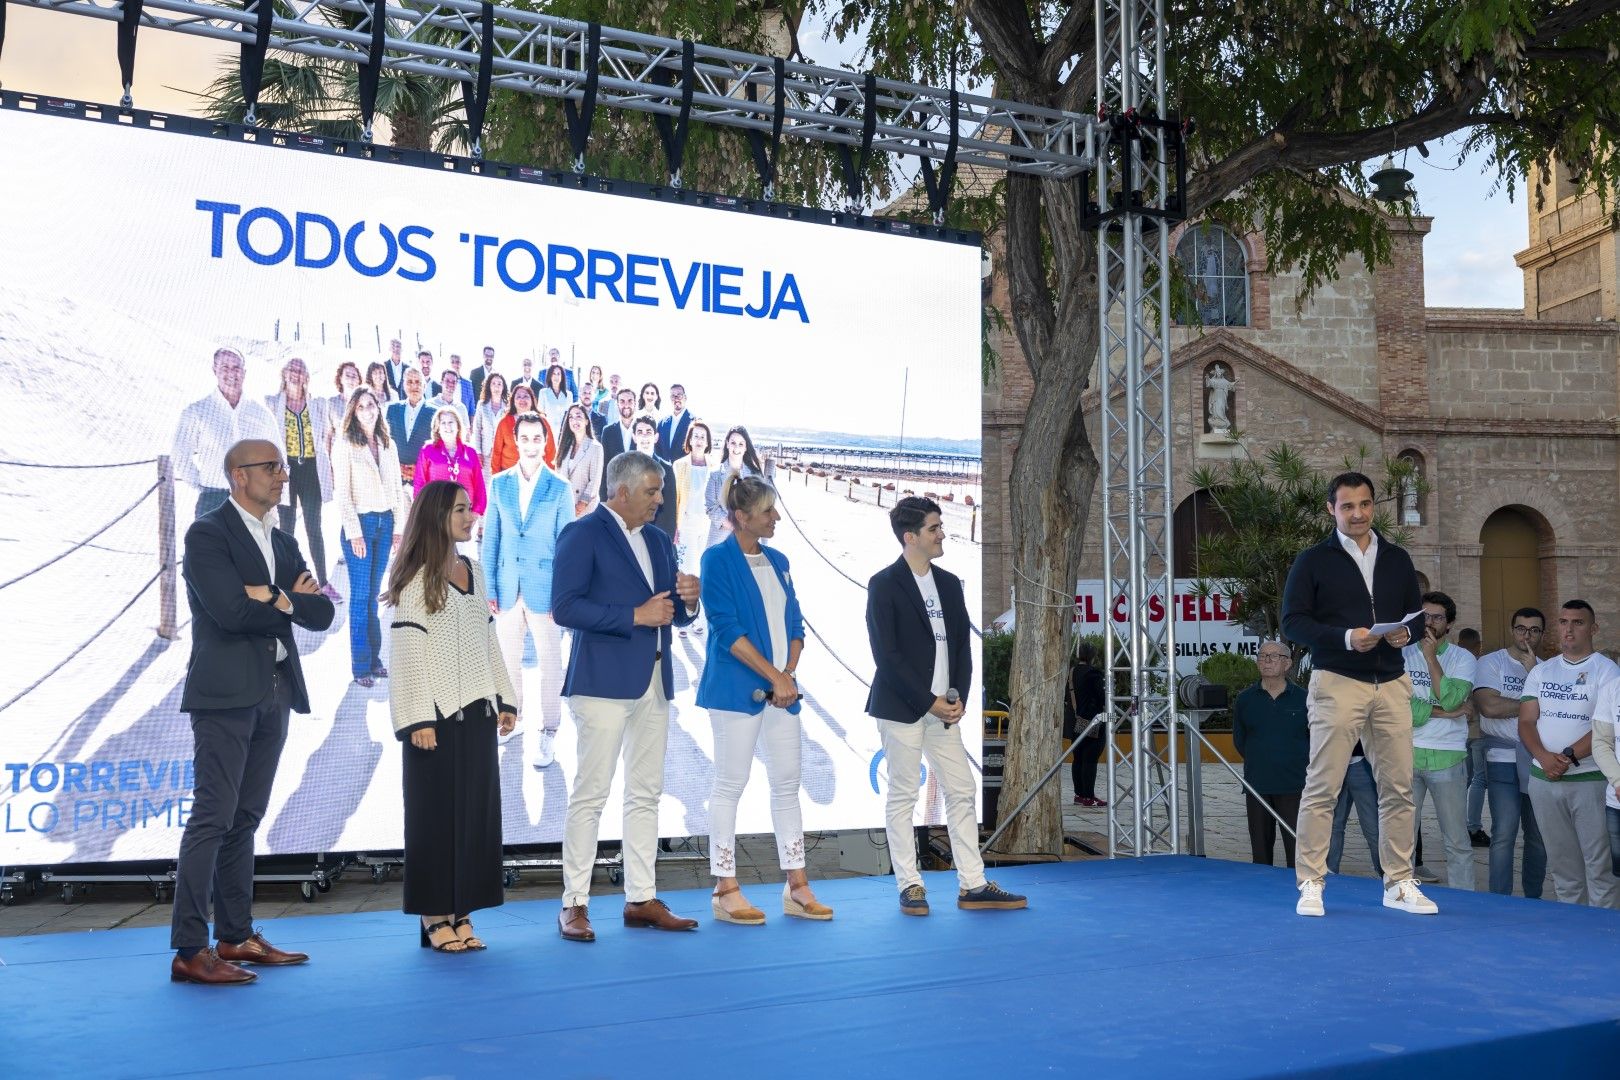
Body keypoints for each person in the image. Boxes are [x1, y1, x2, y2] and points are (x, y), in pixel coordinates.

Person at [168, 439, 335, 984]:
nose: (284, 476)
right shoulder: (208, 534)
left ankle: (235, 935)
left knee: (245, 819)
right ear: (238, 476)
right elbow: (231, 612)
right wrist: (282, 600)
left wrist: (278, 597)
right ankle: (191, 949)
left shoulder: (282, 540)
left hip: (275, 691)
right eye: (272, 468)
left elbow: (322, 611)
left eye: (283, 467)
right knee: (213, 818)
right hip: (224, 695)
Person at [552, 452, 703, 941]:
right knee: (590, 795)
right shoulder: (582, 534)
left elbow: (670, 614)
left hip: (654, 685)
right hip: (600, 685)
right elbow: (564, 607)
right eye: (654, 491)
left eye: (661, 491)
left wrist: (689, 604)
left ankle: (641, 898)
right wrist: (633, 616)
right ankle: (573, 903)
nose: (662, 500)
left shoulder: (660, 542)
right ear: (622, 491)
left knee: (645, 794)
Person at [1280, 470, 1434, 917]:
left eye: (1364, 504)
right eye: (1347, 506)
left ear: (1373, 507)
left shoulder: (1397, 558)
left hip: (1391, 683)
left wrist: (1406, 634)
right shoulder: (1312, 561)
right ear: (1332, 509)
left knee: (1399, 789)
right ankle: (1310, 881)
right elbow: (1293, 622)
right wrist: (1347, 638)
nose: (1358, 513)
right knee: (1322, 787)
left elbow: (1417, 617)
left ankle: (1399, 882)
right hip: (1338, 682)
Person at [867, 495, 1026, 916]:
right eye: (934, 528)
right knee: (903, 794)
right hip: (901, 707)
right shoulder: (884, 584)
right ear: (910, 537)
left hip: (945, 711)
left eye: (940, 527)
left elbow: (961, 648)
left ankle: (973, 884)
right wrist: (928, 701)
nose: (942, 534)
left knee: (962, 789)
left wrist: (957, 700)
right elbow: (888, 656)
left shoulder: (951, 583)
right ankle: (910, 885)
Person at [386, 480, 518, 952]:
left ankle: (460, 911)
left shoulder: (475, 571)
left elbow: (488, 640)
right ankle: (432, 914)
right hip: (433, 720)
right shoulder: (415, 581)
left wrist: (505, 698)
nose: (470, 516)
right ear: (437, 515)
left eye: (470, 508)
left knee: (473, 818)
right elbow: (407, 656)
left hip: (477, 714)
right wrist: (417, 718)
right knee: (433, 819)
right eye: (460, 509)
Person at [698, 476, 831, 924]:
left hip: (782, 694)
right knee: (730, 785)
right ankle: (725, 887)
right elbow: (726, 630)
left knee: (787, 785)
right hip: (737, 692)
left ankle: (796, 885)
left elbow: (796, 623)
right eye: (768, 511)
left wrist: (787, 676)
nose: (776, 518)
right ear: (741, 517)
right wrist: (775, 677)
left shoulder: (779, 560)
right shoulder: (716, 559)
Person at [484, 413, 576, 772]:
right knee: (508, 660)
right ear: (515, 440)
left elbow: (567, 549)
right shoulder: (499, 484)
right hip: (507, 589)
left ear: (545, 442)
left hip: (546, 592)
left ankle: (549, 729)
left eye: (537, 438)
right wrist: (490, 586)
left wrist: (563, 596)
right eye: (525, 438)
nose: (531, 444)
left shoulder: (559, 488)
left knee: (551, 663)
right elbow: (491, 538)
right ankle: (513, 718)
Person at [1519, 601, 1620, 908]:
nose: (1569, 629)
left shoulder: (1607, 671)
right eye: (1563, 622)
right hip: (1544, 780)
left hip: (1589, 780)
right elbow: (1526, 721)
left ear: (1593, 628)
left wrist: (1565, 757)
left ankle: (1604, 933)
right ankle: (1570, 932)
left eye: (1577, 622)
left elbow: (1604, 729)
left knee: (1600, 867)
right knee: (1563, 866)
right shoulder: (1541, 670)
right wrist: (1544, 757)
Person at [1403, 590, 1477, 890]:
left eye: (1437, 617)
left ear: (1449, 624)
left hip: (1448, 757)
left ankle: (1466, 899)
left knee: (1457, 839)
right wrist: (1442, 713)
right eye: (1424, 616)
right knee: (1402, 838)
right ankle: (1401, 892)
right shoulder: (1401, 655)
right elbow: (1397, 707)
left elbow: (1452, 699)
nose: (1430, 622)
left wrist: (1431, 658)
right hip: (1406, 754)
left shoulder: (1463, 659)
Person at [1472, 608, 1548, 897]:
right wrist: (1532, 704)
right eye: (1521, 629)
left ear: (1542, 634)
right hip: (1501, 758)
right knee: (1503, 833)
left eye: (1534, 630)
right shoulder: (1491, 662)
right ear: (1512, 629)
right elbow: (1489, 707)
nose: (1526, 636)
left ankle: (1534, 898)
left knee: (1538, 837)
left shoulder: (1544, 669)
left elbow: (1553, 713)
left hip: (1536, 757)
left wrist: (1534, 675)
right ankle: (1500, 898)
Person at [332, 389, 405, 687]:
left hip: (384, 525)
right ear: (353, 411)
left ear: (378, 408)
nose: (367, 411)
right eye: (361, 406)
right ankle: (360, 666)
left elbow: (398, 490)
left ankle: (375, 660)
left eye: (371, 405)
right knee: (360, 598)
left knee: (374, 597)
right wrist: (354, 534)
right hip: (359, 526)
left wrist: (399, 527)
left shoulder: (387, 443)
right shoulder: (346, 443)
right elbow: (342, 494)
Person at [171, 347, 278, 519]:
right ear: (214, 370)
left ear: (244, 372)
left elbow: (277, 455)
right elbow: (180, 455)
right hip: (213, 501)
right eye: (224, 368)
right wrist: (203, 486)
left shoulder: (261, 413)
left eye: (236, 368)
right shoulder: (197, 412)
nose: (231, 374)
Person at [266, 357, 340, 603]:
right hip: (285, 472)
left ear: (307, 377)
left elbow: (331, 433)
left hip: (311, 469)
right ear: (284, 375)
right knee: (286, 529)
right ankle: (285, 584)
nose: (296, 375)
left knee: (314, 528)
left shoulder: (318, 405)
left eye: (301, 371)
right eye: (292, 370)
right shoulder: (272, 403)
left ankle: (324, 582)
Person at [1232, 642, 1310, 867]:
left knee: (1296, 849)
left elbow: (1315, 739)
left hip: (1294, 785)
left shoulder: (1304, 698)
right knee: (1260, 851)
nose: (1266, 660)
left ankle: (1299, 892)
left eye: (1273, 656)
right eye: (1262, 656)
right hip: (1258, 785)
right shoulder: (1246, 699)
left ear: (1287, 663)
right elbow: (1240, 740)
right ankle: (1261, 894)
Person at [414, 408, 487, 530]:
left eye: (451, 422)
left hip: (464, 518)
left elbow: (479, 486)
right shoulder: (427, 450)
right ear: (437, 428)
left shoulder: (470, 452)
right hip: (436, 517)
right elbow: (419, 484)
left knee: (464, 549)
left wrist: (474, 514)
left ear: (458, 426)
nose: (447, 426)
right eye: (443, 423)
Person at [1455, 626, 1492, 848]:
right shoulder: (1479, 666)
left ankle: (1458, 826)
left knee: (1464, 779)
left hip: (1460, 730)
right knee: (1480, 778)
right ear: (1478, 646)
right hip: (1478, 730)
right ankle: (1473, 827)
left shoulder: (1455, 663)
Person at [1326, 747, 1383, 878]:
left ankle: (1384, 873)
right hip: (1334, 764)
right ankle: (1330, 871)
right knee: (1333, 825)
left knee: (1372, 828)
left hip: (1360, 761)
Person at [704, 425, 763, 548]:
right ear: (727, 444)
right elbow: (711, 506)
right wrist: (732, 525)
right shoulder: (715, 473)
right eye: (733, 443)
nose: (736, 447)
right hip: (720, 539)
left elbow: (760, 506)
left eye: (741, 444)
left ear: (746, 447)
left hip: (747, 537)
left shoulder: (755, 475)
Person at [1064, 641, 1107, 807]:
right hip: (1091, 722)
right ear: (1093, 657)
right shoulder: (1094, 674)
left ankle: (1079, 795)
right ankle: (1089, 796)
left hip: (1074, 721)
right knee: (1090, 759)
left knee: (1078, 758)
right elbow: (1102, 697)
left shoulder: (1071, 672)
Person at [385, 367, 438, 487]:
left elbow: (437, 447)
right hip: (396, 479)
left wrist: (419, 469)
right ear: (404, 385)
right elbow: (385, 442)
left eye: (418, 382)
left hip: (423, 481)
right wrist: (397, 467)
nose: (414, 386)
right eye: (409, 382)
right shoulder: (392, 410)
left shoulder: (435, 413)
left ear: (424, 386)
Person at [630, 415, 678, 539]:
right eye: (640, 432)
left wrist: (664, 540)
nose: (644, 436)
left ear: (655, 437)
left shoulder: (666, 468)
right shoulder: (624, 466)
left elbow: (669, 510)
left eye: (648, 432)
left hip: (655, 534)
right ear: (634, 437)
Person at [490, 383, 555, 474]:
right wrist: (496, 477)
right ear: (513, 401)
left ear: (532, 399)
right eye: (518, 397)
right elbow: (496, 452)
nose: (522, 399)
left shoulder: (543, 422)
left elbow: (551, 451)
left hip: (536, 474)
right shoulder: (504, 422)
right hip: (509, 475)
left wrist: (549, 477)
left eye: (526, 396)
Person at [556, 403, 604, 518]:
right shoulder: (564, 446)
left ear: (587, 421)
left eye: (578, 416)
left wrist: (580, 506)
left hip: (585, 510)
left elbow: (594, 482)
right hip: (565, 507)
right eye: (571, 417)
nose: (574, 420)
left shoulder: (595, 447)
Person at [597, 389, 639, 495]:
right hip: (615, 496)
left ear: (635, 403)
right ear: (617, 404)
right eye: (622, 401)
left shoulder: (643, 429)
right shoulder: (608, 431)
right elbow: (604, 467)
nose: (626, 405)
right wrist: (603, 498)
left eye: (630, 401)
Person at [471, 372, 509, 484]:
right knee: (486, 484)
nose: (496, 387)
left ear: (503, 387)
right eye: (493, 383)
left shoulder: (508, 406)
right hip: (486, 453)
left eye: (499, 384)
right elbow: (477, 430)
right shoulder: (482, 405)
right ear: (489, 386)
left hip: (502, 453)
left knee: (501, 483)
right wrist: (478, 452)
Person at [655, 384, 692, 462]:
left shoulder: (694, 422)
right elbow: (657, 448)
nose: (676, 399)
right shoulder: (662, 423)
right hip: (664, 471)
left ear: (685, 398)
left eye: (679, 395)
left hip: (684, 471)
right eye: (673, 396)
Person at [539, 363, 573, 432]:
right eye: (553, 374)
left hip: (564, 432)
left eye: (558, 374)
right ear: (550, 376)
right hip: (548, 431)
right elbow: (541, 414)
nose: (556, 376)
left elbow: (569, 416)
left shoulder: (569, 395)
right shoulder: (543, 393)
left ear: (562, 377)